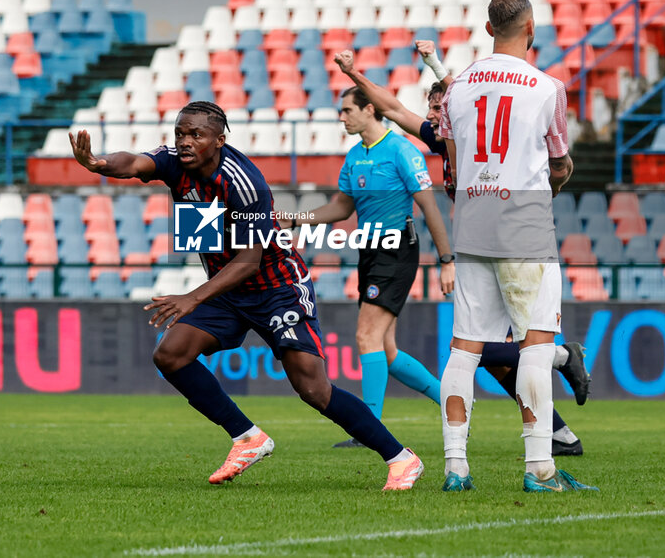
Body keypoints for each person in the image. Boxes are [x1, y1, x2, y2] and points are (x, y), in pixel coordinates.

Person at [69, 100, 425, 490]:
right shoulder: (177, 164)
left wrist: (192, 297)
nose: (185, 142)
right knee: (170, 355)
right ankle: (247, 437)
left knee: (313, 389)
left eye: (196, 135)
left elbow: (250, 261)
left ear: (219, 140)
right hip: (227, 288)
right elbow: (135, 163)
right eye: (180, 133)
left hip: (275, 288)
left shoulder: (245, 182)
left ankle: (401, 459)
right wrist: (99, 163)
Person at [334, 44, 590, 457]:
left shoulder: (472, 125)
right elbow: (396, 109)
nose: (435, 115)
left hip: (512, 239)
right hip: (481, 242)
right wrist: (354, 76)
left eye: (440, 108)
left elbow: (558, 163)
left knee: (488, 349)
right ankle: (561, 433)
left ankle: (561, 363)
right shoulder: (441, 139)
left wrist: (448, 258)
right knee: (500, 354)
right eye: (433, 108)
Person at [438, 0, 596, 493]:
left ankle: (456, 467)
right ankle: (540, 470)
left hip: (473, 223)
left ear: (489, 29)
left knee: (464, 348)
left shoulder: (458, 85)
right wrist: (560, 175)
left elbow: (454, 168)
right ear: (531, 29)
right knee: (535, 345)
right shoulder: (547, 86)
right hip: (524, 226)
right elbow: (557, 163)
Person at [280, 86, 455, 448]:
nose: (341, 117)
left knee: (366, 337)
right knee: (385, 349)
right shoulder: (355, 156)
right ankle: (453, 402)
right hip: (371, 251)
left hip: (396, 251)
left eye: (347, 110)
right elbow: (341, 208)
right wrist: (294, 219)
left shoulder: (402, 151)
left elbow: (430, 207)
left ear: (369, 109)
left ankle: (368, 428)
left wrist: (447, 260)